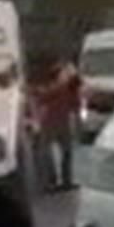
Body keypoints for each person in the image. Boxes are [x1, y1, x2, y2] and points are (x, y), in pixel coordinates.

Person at [34, 59, 81, 190]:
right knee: (49, 153)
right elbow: (42, 97)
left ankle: (62, 181)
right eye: (64, 73)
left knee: (65, 152)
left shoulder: (68, 88)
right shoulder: (57, 88)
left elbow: (75, 102)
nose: (66, 75)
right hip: (51, 122)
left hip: (60, 122)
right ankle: (52, 181)